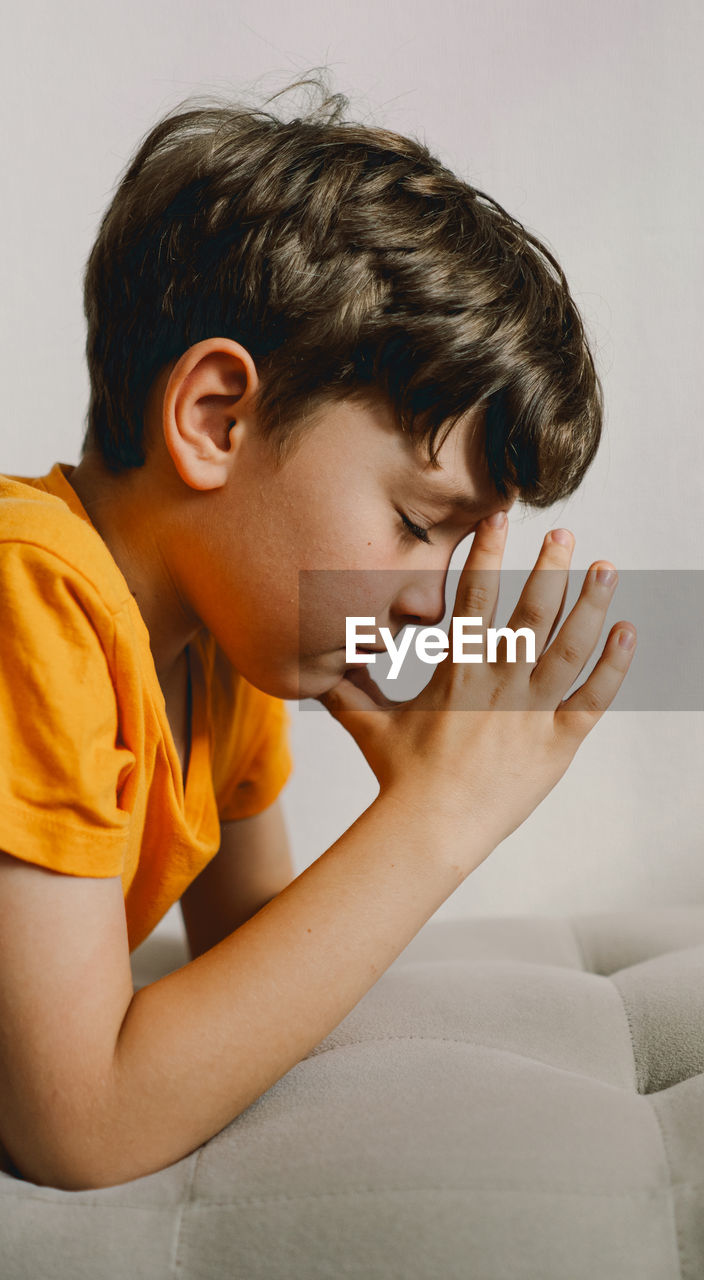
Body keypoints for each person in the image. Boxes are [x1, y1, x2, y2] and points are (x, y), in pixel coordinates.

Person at [0, 75, 636, 1191]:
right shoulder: (31, 592)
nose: (428, 601)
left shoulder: (220, 646)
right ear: (215, 419)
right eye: (409, 522)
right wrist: (438, 818)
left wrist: (414, 806)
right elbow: (79, 1126)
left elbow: (249, 976)